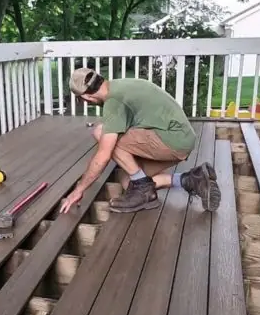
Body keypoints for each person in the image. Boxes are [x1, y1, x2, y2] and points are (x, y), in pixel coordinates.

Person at [59, 67, 221, 214]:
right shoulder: (121, 85)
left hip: (172, 139)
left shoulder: (115, 102)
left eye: (80, 100)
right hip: (180, 137)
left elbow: (103, 157)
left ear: (87, 96)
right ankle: (193, 180)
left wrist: (79, 189)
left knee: (101, 132)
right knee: (128, 181)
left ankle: (143, 187)